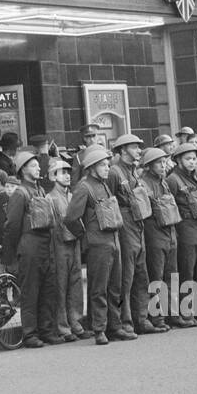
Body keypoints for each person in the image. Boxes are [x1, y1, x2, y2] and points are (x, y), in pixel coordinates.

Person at [65, 145, 132, 344]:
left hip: (113, 241)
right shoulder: (84, 187)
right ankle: (99, 329)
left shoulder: (103, 184)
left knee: (114, 287)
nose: (107, 168)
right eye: (103, 165)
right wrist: (85, 236)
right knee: (99, 289)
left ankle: (115, 327)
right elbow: (70, 218)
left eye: (107, 164)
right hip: (98, 245)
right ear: (92, 167)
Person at [3, 151, 56, 346]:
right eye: (34, 166)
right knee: (30, 291)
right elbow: (12, 226)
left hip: (44, 245)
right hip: (30, 246)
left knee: (47, 290)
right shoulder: (20, 193)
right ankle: (30, 334)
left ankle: (46, 330)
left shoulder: (39, 190)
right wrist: (10, 255)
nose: (39, 168)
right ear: (23, 169)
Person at [111, 133, 154, 335]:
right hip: (125, 224)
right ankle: (125, 323)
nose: (138, 150)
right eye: (134, 147)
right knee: (125, 277)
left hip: (138, 223)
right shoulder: (114, 172)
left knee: (141, 274)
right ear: (122, 150)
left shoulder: (133, 171)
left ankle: (141, 319)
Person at [167, 142, 197, 323]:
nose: (192, 162)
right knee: (187, 271)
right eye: (187, 159)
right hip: (185, 228)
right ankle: (187, 312)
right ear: (178, 160)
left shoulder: (194, 177)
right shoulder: (173, 180)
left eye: (194, 158)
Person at [139, 148, 182, 328]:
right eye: (159, 163)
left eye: (164, 162)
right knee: (156, 278)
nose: (163, 166)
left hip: (170, 233)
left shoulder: (164, 182)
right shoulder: (143, 184)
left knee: (171, 276)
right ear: (149, 166)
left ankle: (173, 314)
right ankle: (157, 317)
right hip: (155, 234)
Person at [46, 157, 86, 342]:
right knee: (61, 285)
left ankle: (76, 322)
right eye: (62, 172)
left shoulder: (72, 196)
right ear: (53, 176)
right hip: (59, 245)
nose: (68, 175)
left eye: (68, 172)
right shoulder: (50, 198)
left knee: (76, 283)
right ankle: (63, 326)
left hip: (74, 244)